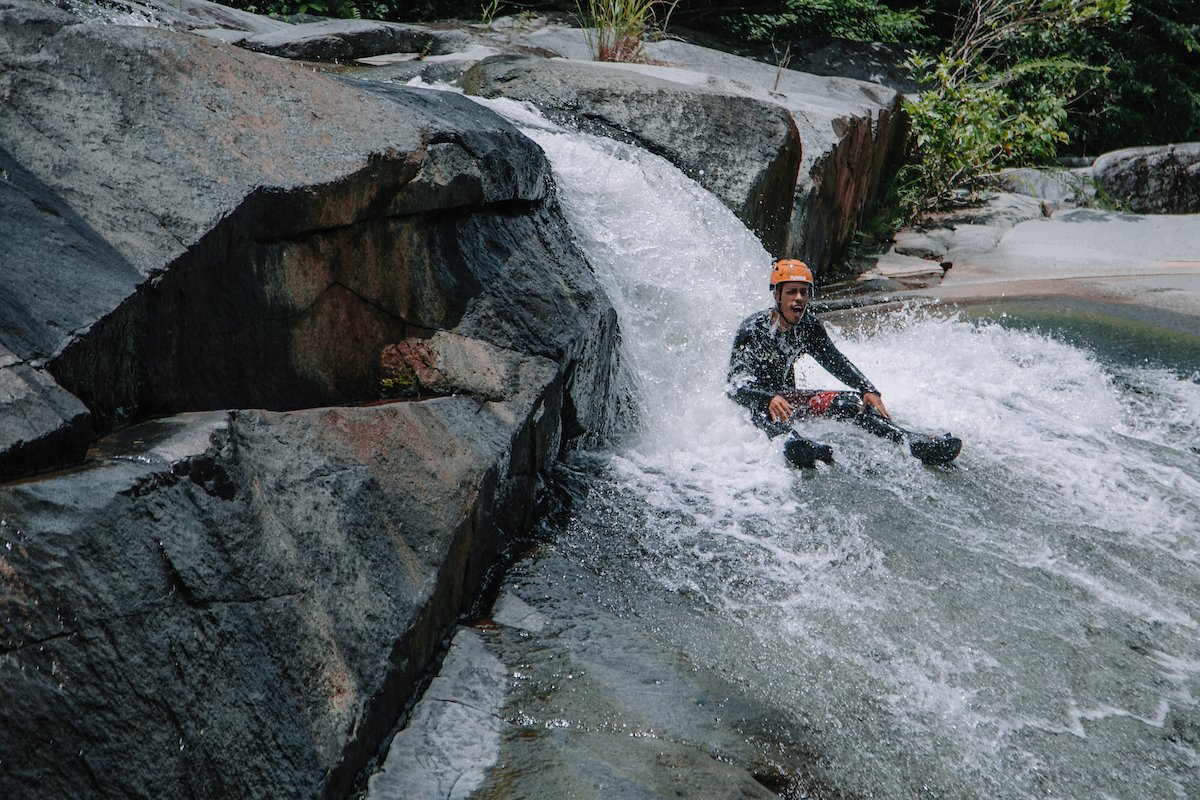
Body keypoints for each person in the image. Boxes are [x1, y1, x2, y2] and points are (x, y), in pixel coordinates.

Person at [727, 258, 961, 467]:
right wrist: (767, 398)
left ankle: (911, 441)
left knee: (851, 401)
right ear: (777, 295)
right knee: (768, 413)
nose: (799, 298)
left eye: (803, 292)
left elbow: (834, 361)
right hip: (758, 404)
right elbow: (734, 386)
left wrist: (866, 387)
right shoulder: (752, 330)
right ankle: (796, 445)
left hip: (788, 398)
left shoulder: (809, 326)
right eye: (791, 292)